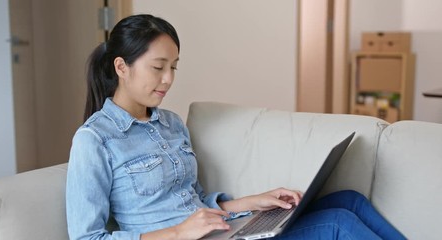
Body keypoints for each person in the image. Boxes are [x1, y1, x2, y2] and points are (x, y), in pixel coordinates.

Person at [66, 14, 406, 240]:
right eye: (158, 67)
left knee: (350, 200)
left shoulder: (169, 123)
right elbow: (87, 237)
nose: (168, 79)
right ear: (121, 67)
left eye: (174, 67)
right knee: (338, 224)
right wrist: (177, 233)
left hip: (221, 230)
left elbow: (196, 202)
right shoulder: (94, 139)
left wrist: (254, 202)